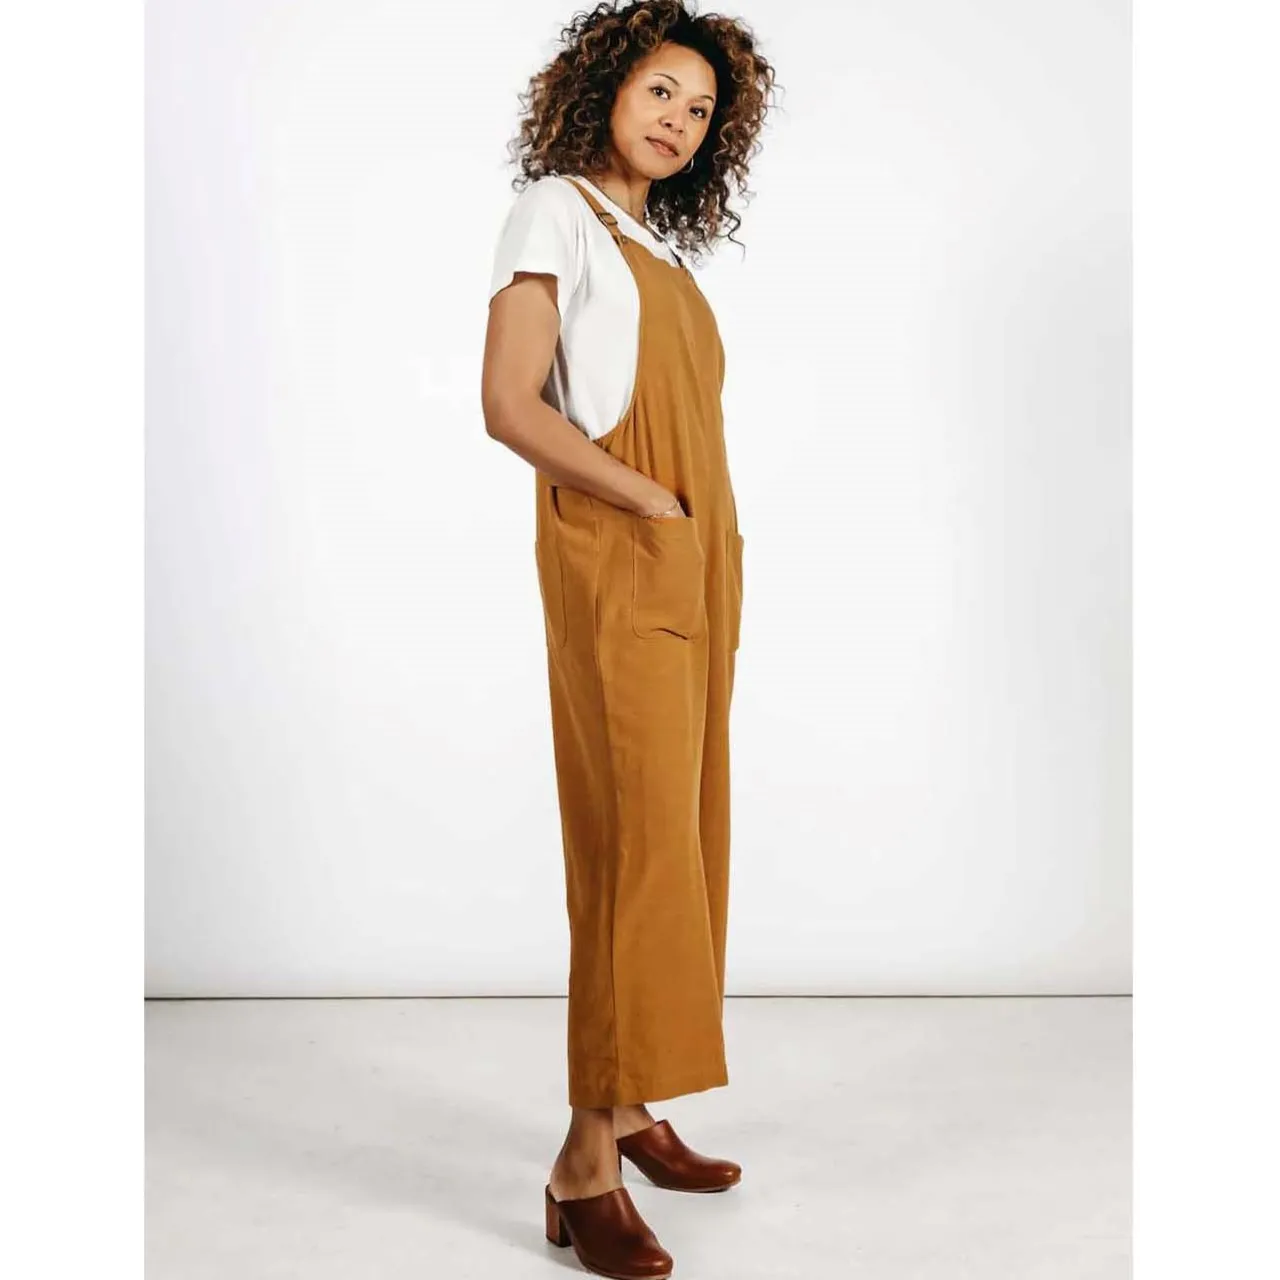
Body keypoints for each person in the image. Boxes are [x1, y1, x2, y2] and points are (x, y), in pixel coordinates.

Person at [481, 3, 775, 1275]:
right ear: (602, 84)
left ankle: (637, 1097)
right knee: (629, 850)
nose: (679, 120)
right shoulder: (554, 211)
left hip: (694, 568)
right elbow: (509, 405)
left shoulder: (657, 250)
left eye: (701, 109)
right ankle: (582, 1161)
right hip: (623, 556)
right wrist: (647, 501)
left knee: (684, 841)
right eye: (660, 90)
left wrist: (693, 529)